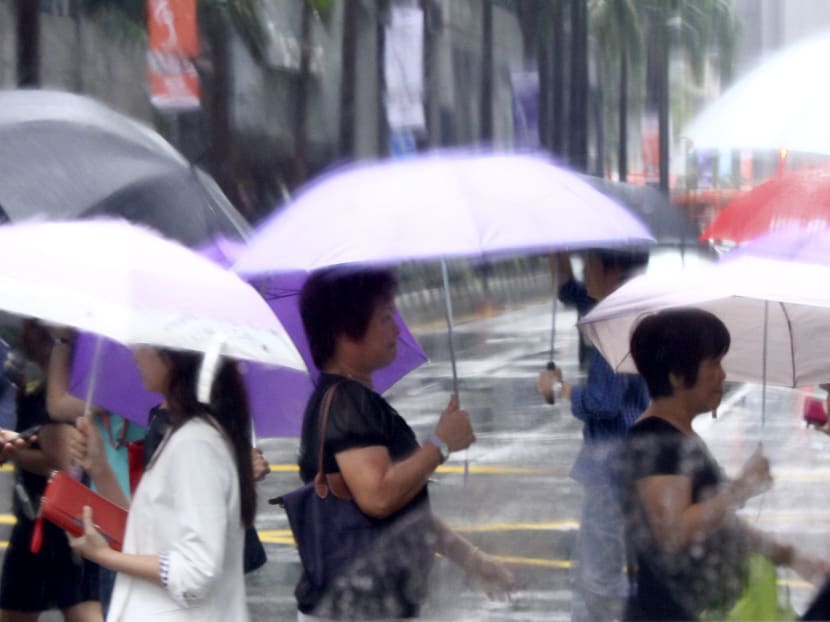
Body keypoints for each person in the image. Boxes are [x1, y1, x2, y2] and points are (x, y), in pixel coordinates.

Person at [296, 267, 515, 620]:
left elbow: (404, 512)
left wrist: (471, 560)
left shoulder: (349, 400)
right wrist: (440, 445)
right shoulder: (347, 403)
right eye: (385, 317)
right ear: (344, 331)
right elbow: (379, 497)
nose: (397, 329)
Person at [622, 308, 830, 621]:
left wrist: (790, 556)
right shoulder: (656, 440)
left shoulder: (678, 436)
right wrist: (739, 490)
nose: (722, 375)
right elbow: (672, 533)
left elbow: (719, 521)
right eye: (714, 364)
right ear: (677, 375)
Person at [68, 347, 254, 622]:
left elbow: (196, 570)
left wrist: (105, 556)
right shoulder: (187, 436)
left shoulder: (196, 444)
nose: (135, 355)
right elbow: (148, 535)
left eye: (146, 346)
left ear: (174, 356)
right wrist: (101, 469)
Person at [536, 249, 649, 622]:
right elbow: (570, 292)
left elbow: (603, 402)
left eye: (591, 264)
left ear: (612, 269)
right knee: (595, 562)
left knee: (598, 570)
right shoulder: (616, 308)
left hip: (613, 463)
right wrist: (558, 251)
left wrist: (560, 387)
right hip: (622, 459)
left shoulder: (616, 326)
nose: (585, 271)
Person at [0, 319, 103, 622]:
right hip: (35, 518)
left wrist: (18, 452)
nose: (25, 333)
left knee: (82, 608)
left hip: (58, 523)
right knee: (17, 610)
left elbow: (59, 463)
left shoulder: (59, 398)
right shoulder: (36, 392)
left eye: (33, 326)